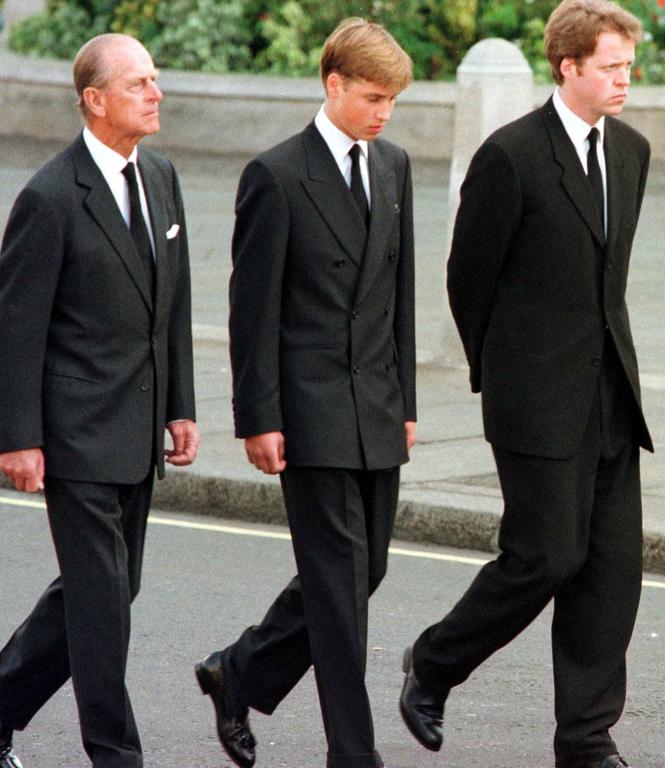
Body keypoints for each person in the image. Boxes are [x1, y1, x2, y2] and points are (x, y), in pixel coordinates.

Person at [398, 2, 650, 766]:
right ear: (568, 66)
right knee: (543, 556)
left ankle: (585, 738)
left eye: (629, 68)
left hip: (611, 393)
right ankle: (435, 663)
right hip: (534, 399)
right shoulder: (510, 155)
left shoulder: (632, 152)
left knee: (612, 574)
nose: (624, 81)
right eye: (611, 67)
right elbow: (467, 277)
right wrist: (504, 371)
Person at [193, 18, 415, 768]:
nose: (383, 112)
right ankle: (354, 754)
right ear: (334, 85)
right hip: (310, 409)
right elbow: (252, 311)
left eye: (393, 100)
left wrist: (408, 400)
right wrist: (259, 417)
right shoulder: (277, 174)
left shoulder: (395, 168)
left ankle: (241, 671)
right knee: (335, 589)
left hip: (378, 406)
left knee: (364, 571)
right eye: (372, 96)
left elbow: (399, 296)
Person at [0, 33, 198, 768]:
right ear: (95, 100)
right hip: (76, 433)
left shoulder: (163, 177)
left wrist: (181, 404)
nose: (156, 94)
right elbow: (16, 330)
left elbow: (171, 303)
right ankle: (117, 756)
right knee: (100, 604)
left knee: (107, 591)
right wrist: (18, 438)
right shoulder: (51, 196)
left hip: (138, 426)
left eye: (155, 80)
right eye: (140, 83)